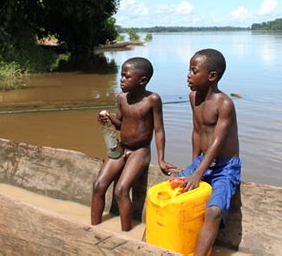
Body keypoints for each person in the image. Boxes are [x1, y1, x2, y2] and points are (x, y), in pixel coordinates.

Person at [91, 57, 177, 231]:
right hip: (121, 148)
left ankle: (125, 234)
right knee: (98, 185)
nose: (121, 79)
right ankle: (93, 228)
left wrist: (161, 159)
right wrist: (107, 119)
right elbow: (120, 124)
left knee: (121, 190)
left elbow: (159, 130)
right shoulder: (122, 98)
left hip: (140, 151)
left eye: (126, 76)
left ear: (142, 80)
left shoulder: (152, 99)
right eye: (121, 75)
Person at [177, 49, 241, 255]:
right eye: (189, 70)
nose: (188, 75)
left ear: (212, 76)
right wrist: (193, 166)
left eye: (193, 71)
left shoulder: (224, 103)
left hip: (225, 166)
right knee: (172, 190)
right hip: (204, 160)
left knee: (213, 212)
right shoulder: (193, 97)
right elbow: (197, 132)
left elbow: (217, 143)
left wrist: (198, 174)